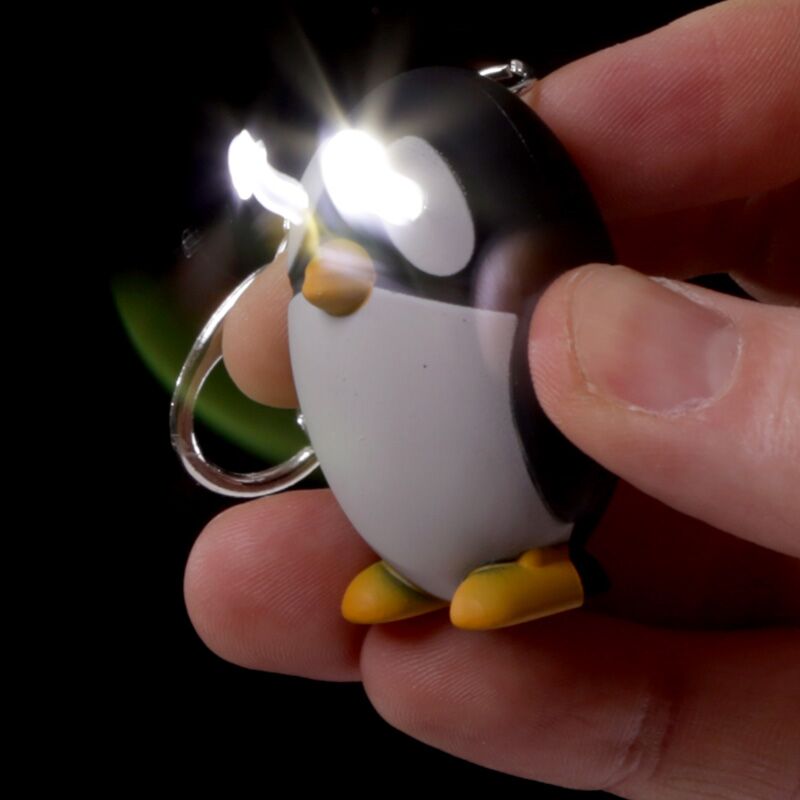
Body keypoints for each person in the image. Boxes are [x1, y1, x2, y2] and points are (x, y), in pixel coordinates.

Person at [183, 1, 799, 796]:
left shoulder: (488, 254)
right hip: (398, 492)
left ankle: (546, 564)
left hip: (531, 471)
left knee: (523, 409)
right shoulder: (330, 260)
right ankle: (414, 562)